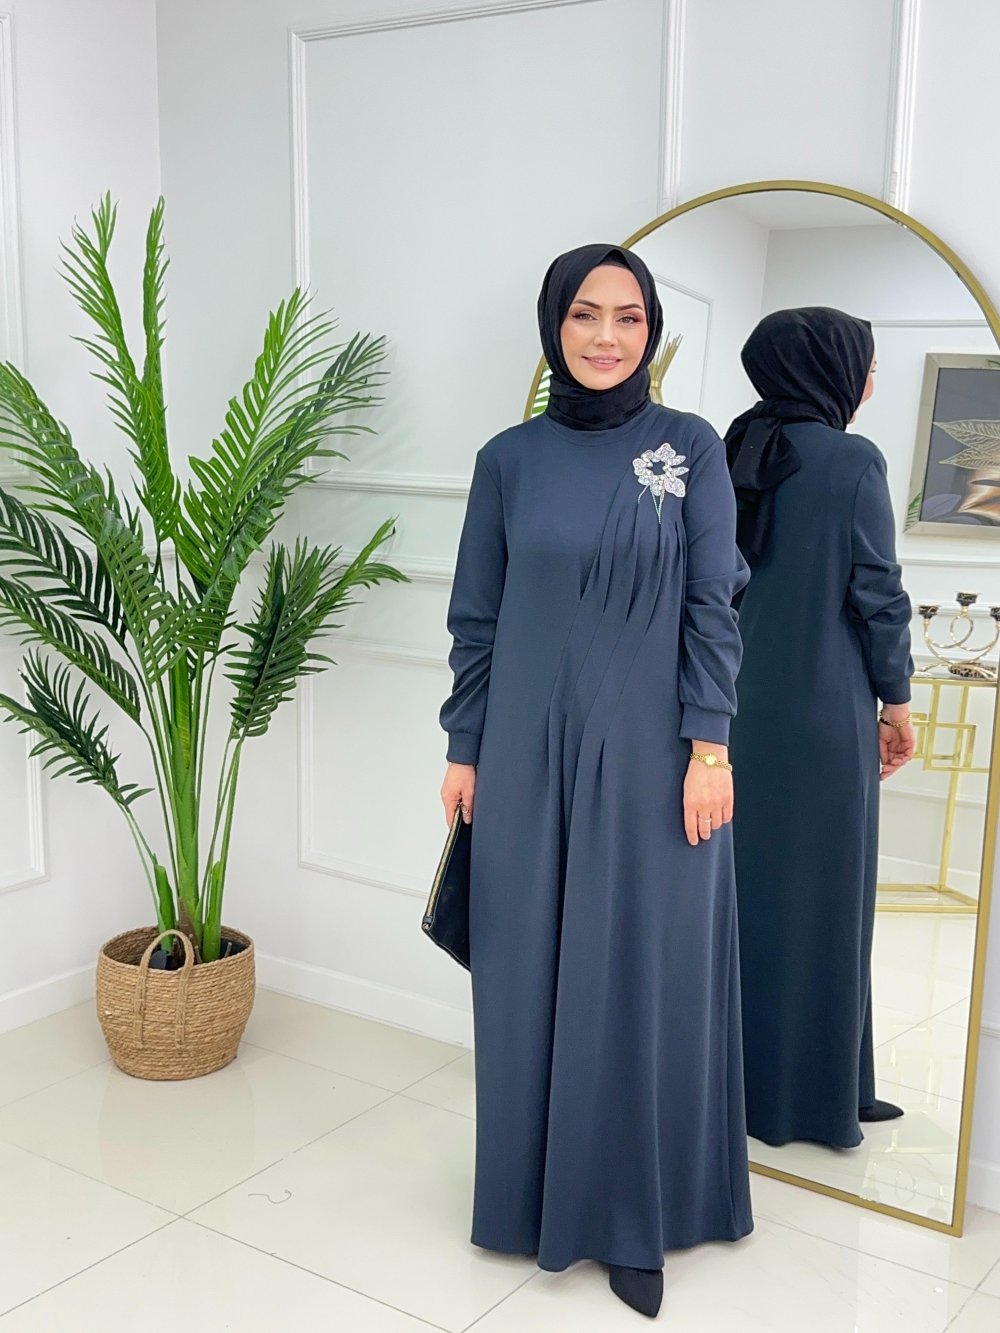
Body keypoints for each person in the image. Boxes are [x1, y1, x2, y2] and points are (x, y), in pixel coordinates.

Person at [438, 244, 753, 1319]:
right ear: (553, 326)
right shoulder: (508, 460)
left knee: (640, 976)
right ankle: (532, 1198)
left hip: (657, 763)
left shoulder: (690, 447)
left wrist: (709, 747)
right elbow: (476, 616)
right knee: (523, 972)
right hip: (527, 753)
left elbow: (713, 605)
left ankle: (632, 1215)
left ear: (650, 330)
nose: (606, 336)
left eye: (628, 317)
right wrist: (464, 746)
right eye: (584, 314)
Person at [724, 306, 916, 1152]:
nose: (869, 381)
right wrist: (897, 702)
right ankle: (815, 1096)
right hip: (823, 716)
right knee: (826, 905)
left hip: (727, 716)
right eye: (865, 364)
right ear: (832, 370)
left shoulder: (730, 448)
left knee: (743, 900)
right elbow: (877, 593)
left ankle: (738, 1085)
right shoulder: (851, 460)